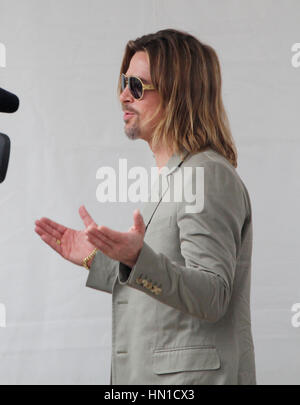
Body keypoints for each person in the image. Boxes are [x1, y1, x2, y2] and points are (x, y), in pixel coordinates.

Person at [34, 28, 256, 385]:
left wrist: (138, 259)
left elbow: (213, 296)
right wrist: (102, 261)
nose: (123, 96)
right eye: (123, 82)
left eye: (137, 86)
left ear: (178, 94)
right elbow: (167, 290)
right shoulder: (174, 175)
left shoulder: (206, 175)